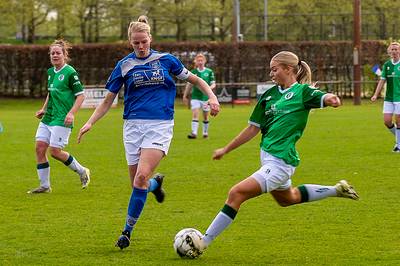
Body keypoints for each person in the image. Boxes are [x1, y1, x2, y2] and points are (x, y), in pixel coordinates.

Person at [76, 15, 220, 250]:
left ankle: (126, 232)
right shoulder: (124, 65)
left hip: (160, 125)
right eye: (136, 43)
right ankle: (156, 185)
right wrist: (90, 122)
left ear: (150, 38)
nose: (141, 47)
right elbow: (108, 100)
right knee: (137, 184)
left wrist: (212, 97)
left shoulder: (167, 60)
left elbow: (195, 80)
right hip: (132, 127)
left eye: (144, 41)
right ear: (130, 42)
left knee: (140, 177)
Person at [194, 51, 359, 254]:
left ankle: (203, 242)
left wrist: (332, 98)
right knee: (287, 199)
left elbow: (324, 96)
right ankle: (337, 189)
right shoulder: (268, 96)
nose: (271, 74)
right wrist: (226, 149)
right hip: (269, 160)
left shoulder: (302, 92)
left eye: (275, 69)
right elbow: (252, 128)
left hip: (280, 163)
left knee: (236, 193)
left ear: (288, 69)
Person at [28, 39, 90, 194]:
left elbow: (81, 96)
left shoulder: (70, 72)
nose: (55, 55)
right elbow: (50, 93)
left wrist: (71, 113)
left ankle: (82, 171)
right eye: (52, 53)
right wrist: (43, 109)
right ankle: (45, 186)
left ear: (64, 55)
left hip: (62, 118)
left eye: (58, 53)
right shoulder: (50, 72)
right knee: (39, 148)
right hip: (49, 116)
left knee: (55, 152)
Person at [371, 42, 400, 152]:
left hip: (399, 98)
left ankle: (398, 145)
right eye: (392, 49)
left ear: (399, 51)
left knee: (398, 121)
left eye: (396, 49)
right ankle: (399, 140)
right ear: (389, 51)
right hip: (388, 98)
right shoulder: (387, 65)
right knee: (387, 121)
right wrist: (375, 95)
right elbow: (382, 81)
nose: (394, 51)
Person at [183, 53, 216, 139]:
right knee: (195, 114)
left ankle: (205, 133)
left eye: (202, 60)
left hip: (206, 98)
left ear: (205, 61)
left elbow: (213, 84)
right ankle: (194, 133)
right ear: (196, 62)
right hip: (195, 97)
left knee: (205, 116)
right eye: (198, 60)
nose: (200, 62)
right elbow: (189, 85)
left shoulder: (209, 72)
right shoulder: (193, 72)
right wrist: (185, 95)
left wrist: (207, 89)